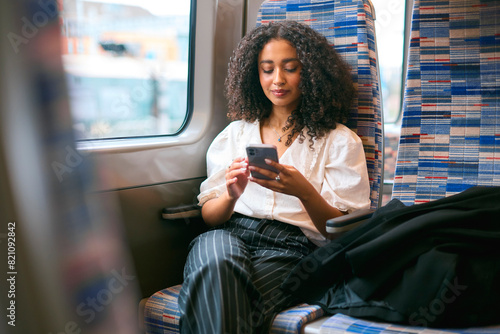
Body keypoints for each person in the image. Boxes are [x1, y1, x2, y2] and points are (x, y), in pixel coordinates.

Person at [178, 20, 371, 333]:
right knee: (216, 263)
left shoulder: (339, 140)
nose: (277, 80)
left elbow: (345, 233)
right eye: (267, 69)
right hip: (228, 234)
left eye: (290, 68)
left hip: (292, 249)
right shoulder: (236, 134)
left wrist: (304, 192)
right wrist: (231, 193)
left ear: (310, 72)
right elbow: (210, 217)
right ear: (255, 74)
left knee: (224, 298)